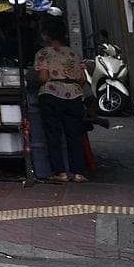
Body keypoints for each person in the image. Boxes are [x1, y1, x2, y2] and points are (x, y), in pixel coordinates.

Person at [34, 21, 90, 183]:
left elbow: (43, 77)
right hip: (74, 95)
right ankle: (78, 173)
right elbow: (83, 79)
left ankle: (60, 172)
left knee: (53, 135)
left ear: (46, 35)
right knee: (75, 135)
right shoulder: (73, 53)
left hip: (51, 94)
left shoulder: (43, 53)